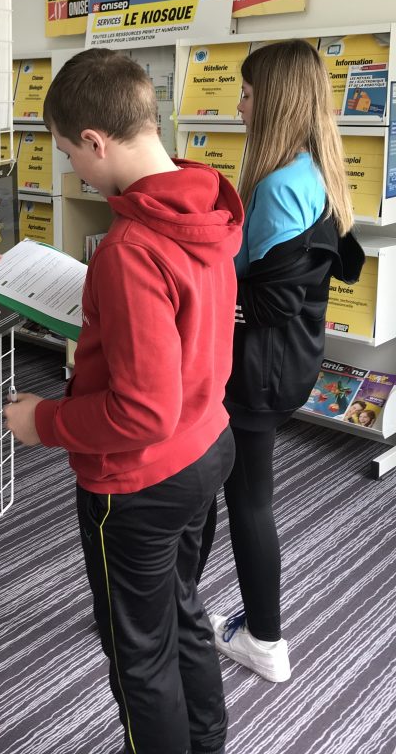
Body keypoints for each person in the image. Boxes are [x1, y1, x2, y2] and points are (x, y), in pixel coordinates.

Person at [3, 48, 243, 754]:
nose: (72, 169)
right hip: (207, 445)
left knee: (138, 653)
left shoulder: (131, 247)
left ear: (95, 141)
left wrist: (43, 421)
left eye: (68, 153)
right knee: (182, 612)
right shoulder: (204, 205)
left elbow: (141, 412)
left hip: (140, 481)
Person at [197, 39, 364, 684]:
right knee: (241, 493)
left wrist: (196, 295)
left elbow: (268, 303)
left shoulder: (278, 187)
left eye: (246, 94)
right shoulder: (312, 171)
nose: (238, 105)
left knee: (246, 499)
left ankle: (264, 640)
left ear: (275, 103)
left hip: (260, 369)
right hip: (288, 361)